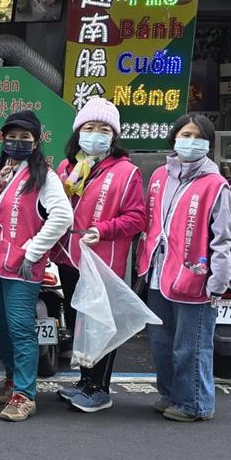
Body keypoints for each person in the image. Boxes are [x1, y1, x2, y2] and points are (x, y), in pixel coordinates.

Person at [0, 110, 73, 422]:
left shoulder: (44, 176)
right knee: (2, 325)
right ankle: (11, 379)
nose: (16, 142)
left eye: (24, 137)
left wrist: (33, 251)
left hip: (22, 266)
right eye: (11, 136)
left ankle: (25, 394)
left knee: (20, 327)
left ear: (36, 142)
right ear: (2, 138)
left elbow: (63, 216)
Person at [51, 98, 145, 412]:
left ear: (114, 136)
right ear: (78, 132)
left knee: (100, 323)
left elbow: (136, 218)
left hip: (102, 261)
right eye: (89, 127)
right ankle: (85, 381)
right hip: (68, 257)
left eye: (104, 129)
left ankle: (100, 388)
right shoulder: (67, 168)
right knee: (78, 322)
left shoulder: (126, 172)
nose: (96, 134)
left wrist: (102, 230)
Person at [139, 113, 230, 422]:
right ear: (174, 138)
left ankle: (194, 404)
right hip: (158, 273)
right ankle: (171, 394)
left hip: (195, 277)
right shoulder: (159, 177)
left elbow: (223, 238)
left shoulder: (216, 185)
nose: (191, 142)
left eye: (199, 137)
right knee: (161, 342)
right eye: (186, 135)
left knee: (191, 345)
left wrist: (218, 282)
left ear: (208, 143)